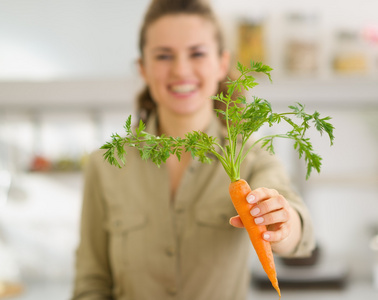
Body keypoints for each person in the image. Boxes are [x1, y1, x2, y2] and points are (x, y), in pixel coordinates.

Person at [71, 0, 315, 299]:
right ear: (143, 69)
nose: (181, 69)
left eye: (197, 53)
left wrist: (284, 223)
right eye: (163, 56)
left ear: (221, 64)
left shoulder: (251, 159)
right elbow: (91, 283)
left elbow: (297, 228)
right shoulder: (105, 165)